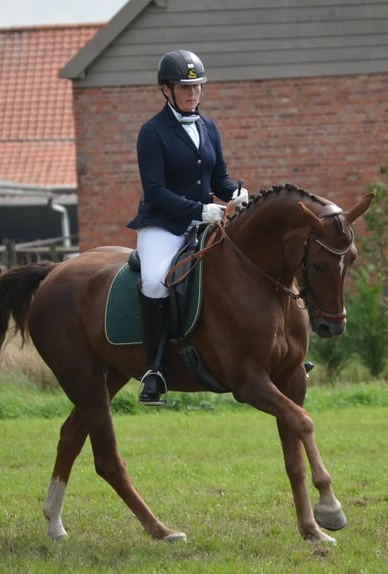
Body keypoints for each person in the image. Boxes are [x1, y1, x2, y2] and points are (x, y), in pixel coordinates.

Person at [127, 49, 248, 406]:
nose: (193, 94)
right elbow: (155, 191)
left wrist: (236, 193)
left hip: (203, 221)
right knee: (154, 281)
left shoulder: (208, 127)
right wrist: (200, 209)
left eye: (198, 88)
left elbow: (220, 178)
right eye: (185, 88)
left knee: (242, 268)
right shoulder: (152, 133)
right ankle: (154, 369)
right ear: (167, 90)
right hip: (163, 225)